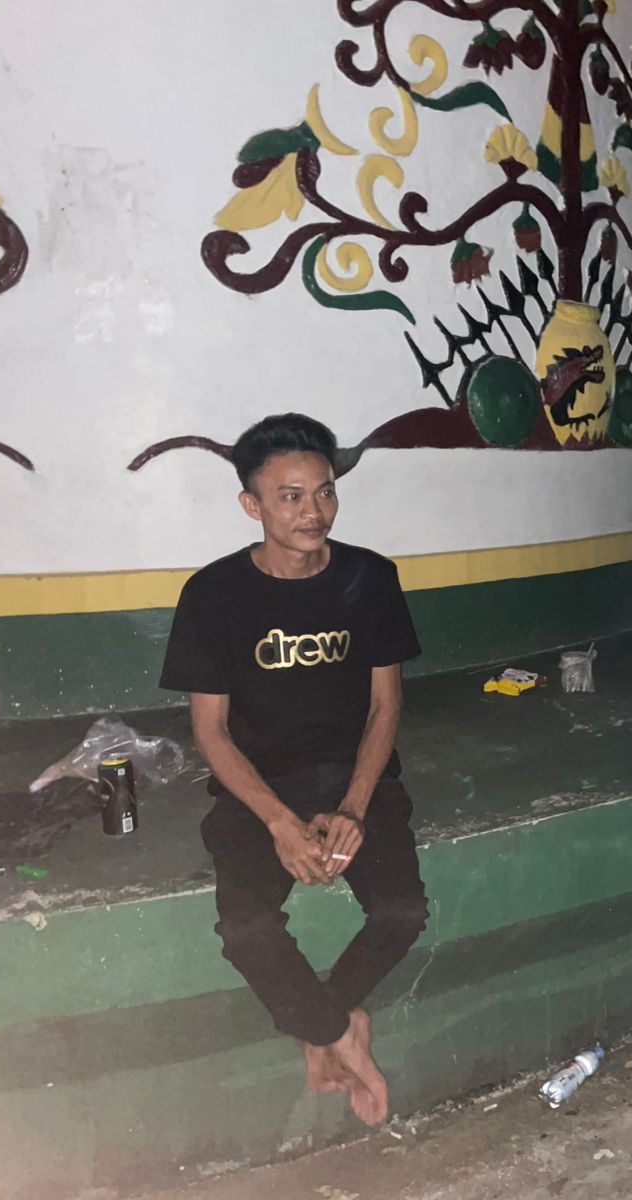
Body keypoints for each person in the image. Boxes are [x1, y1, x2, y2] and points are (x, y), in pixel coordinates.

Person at [159, 413, 429, 1128]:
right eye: (290, 496)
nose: (314, 512)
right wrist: (279, 822)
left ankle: (322, 1027)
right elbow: (212, 732)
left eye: (325, 492)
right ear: (251, 505)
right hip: (258, 787)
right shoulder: (213, 594)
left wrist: (356, 808)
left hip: (356, 776)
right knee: (247, 928)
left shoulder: (370, 578)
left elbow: (385, 708)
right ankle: (340, 1032)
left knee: (402, 913)